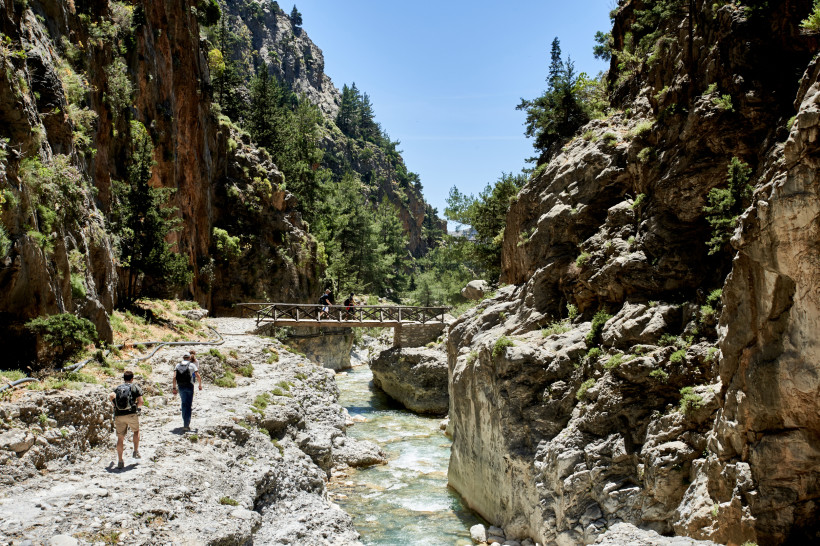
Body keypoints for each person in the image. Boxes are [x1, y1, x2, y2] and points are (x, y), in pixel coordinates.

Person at [109, 370, 144, 469]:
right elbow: (141, 401)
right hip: (131, 414)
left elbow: (111, 396)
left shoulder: (118, 388)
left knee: (120, 438)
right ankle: (135, 451)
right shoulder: (135, 387)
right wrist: (136, 407)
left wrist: (115, 405)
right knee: (136, 431)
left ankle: (120, 460)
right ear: (132, 379)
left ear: (124, 378)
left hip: (119, 415)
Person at [172, 352, 202, 431]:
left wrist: (174, 388)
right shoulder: (192, 365)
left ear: (183, 357)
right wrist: (200, 385)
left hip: (181, 386)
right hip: (189, 386)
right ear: (189, 358)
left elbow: (174, 377)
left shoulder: (177, 365)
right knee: (188, 405)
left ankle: (185, 421)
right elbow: (197, 375)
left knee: (183, 404)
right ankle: (186, 424)